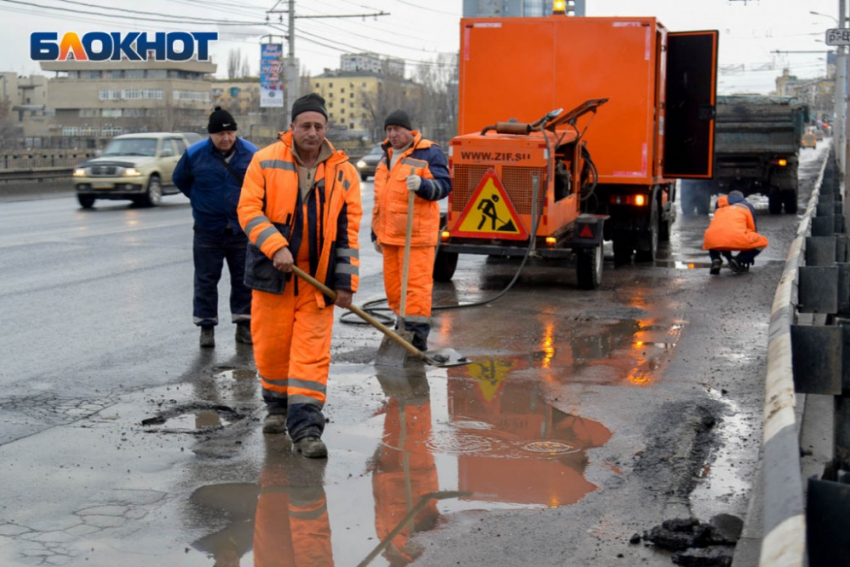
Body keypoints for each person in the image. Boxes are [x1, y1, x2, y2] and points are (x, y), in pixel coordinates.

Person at [238, 93, 362, 458]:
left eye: (318, 126)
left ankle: (307, 429)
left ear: (326, 129)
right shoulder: (264, 161)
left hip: (316, 280)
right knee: (273, 348)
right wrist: (276, 246)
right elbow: (248, 210)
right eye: (305, 125)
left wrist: (345, 285)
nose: (311, 132)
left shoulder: (344, 172)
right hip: (273, 274)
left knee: (311, 355)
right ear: (291, 127)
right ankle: (277, 407)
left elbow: (347, 233)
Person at [173, 106, 258, 348]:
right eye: (220, 134)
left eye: (230, 133)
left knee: (244, 280)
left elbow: (262, 184)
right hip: (207, 230)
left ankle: (244, 327)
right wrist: (201, 201)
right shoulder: (195, 154)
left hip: (241, 229)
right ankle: (206, 329)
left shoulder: (251, 154)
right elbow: (181, 179)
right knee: (206, 280)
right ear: (210, 135)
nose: (226, 138)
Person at [371, 110, 452, 351]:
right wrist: (375, 234)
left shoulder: (429, 152)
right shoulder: (385, 158)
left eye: (397, 129)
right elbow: (380, 202)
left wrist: (424, 186)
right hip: (390, 238)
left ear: (409, 130)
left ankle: (417, 339)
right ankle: (402, 328)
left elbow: (445, 185)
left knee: (416, 290)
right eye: (389, 130)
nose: (393, 134)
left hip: (415, 237)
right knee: (395, 289)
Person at [702, 190, 769, 275]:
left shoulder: (719, 205)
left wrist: (729, 258)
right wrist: (748, 255)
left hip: (712, 239)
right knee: (762, 241)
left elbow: (721, 232)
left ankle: (716, 259)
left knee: (714, 236)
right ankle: (737, 260)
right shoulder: (747, 206)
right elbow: (752, 228)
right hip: (736, 237)